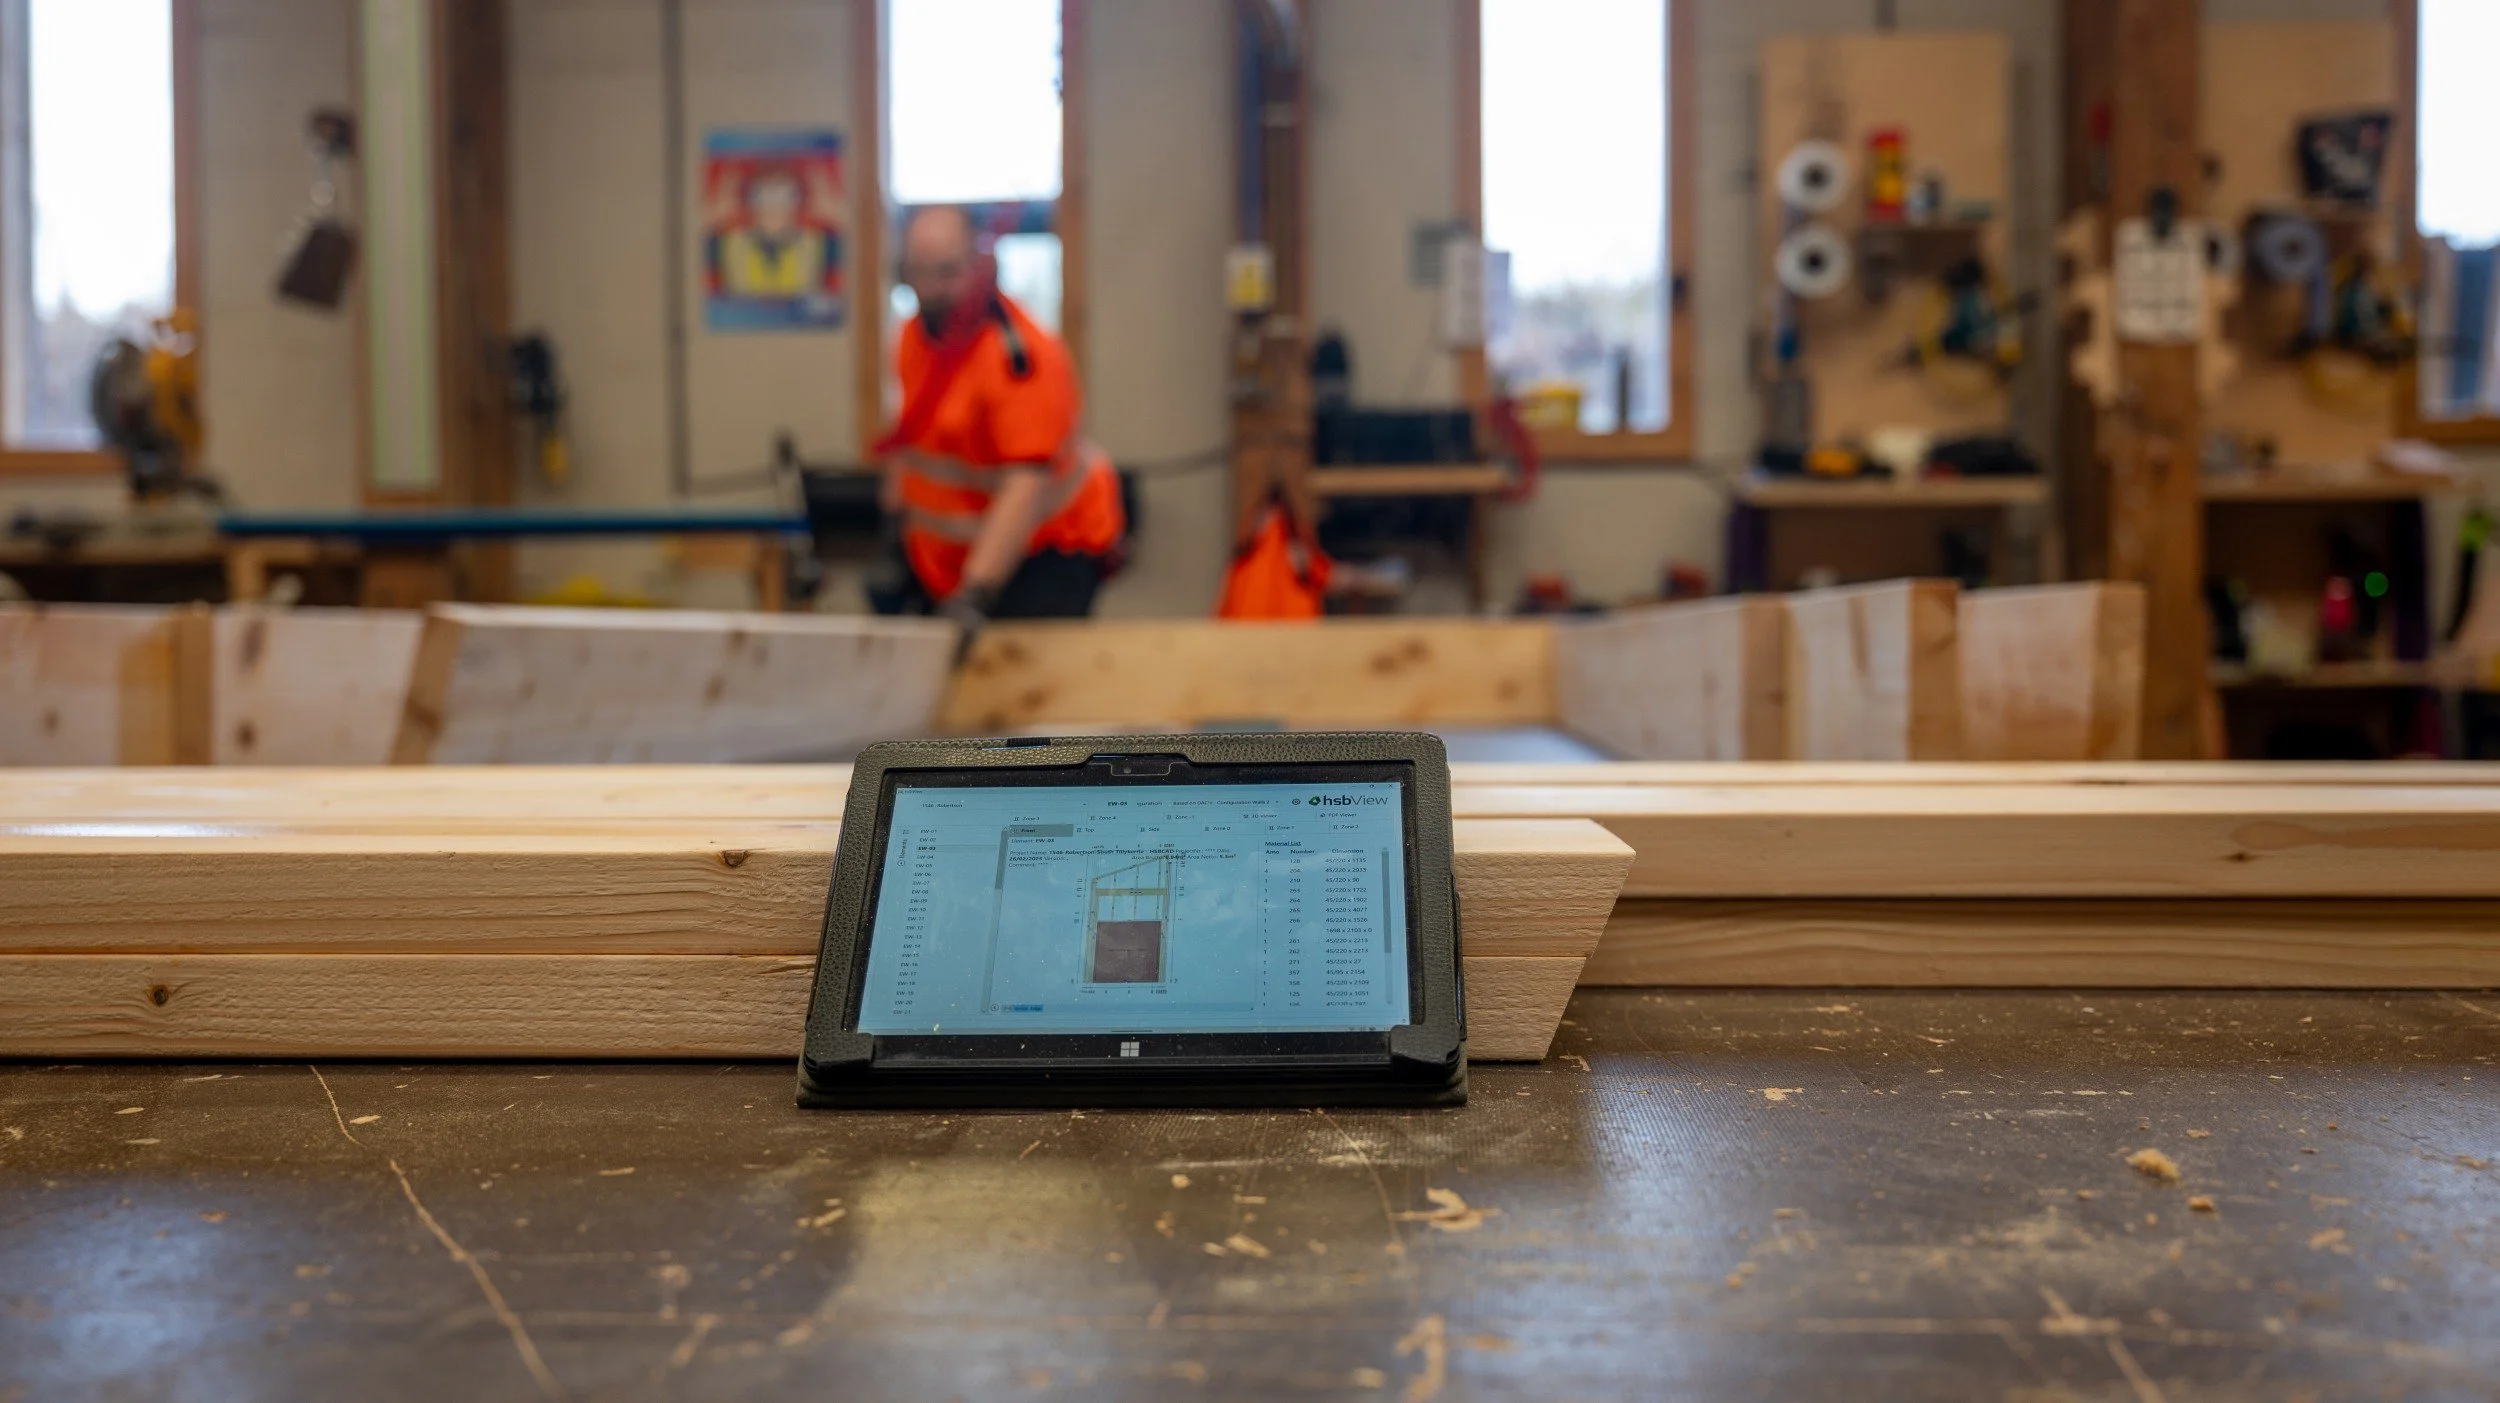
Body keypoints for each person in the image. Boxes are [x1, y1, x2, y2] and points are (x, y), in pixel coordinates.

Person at [869, 205, 1123, 625]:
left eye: (948, 273)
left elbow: (1026, 484)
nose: (932, 289)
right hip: (948, 562)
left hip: (1046, 551)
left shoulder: (1020, 357)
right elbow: (912, 435)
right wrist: (894, 538)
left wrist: (975, 593)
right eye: (920, 272)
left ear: (980, 266)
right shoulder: (914, 338)